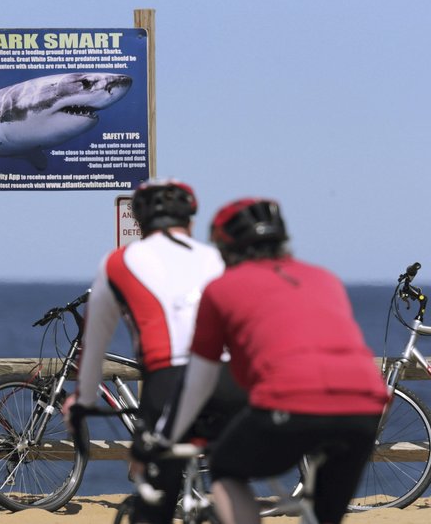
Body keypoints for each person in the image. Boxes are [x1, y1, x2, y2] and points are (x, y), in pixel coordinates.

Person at [159, 198, 388, 524]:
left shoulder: (221, 289)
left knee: (225, 466)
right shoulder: (325, 278)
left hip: (290, 400)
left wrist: (164, 440)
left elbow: (199, 380)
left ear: (226, 247)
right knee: (323, 516)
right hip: (366, 404)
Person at [69, 179, 245, 524]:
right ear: (191, 221)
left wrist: (83, 400)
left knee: (155, 489)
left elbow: (94, 344)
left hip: (170, 381)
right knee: (229, 477)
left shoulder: (119, 262)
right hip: (232, 380)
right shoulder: (218, 258)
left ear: (140, 222)